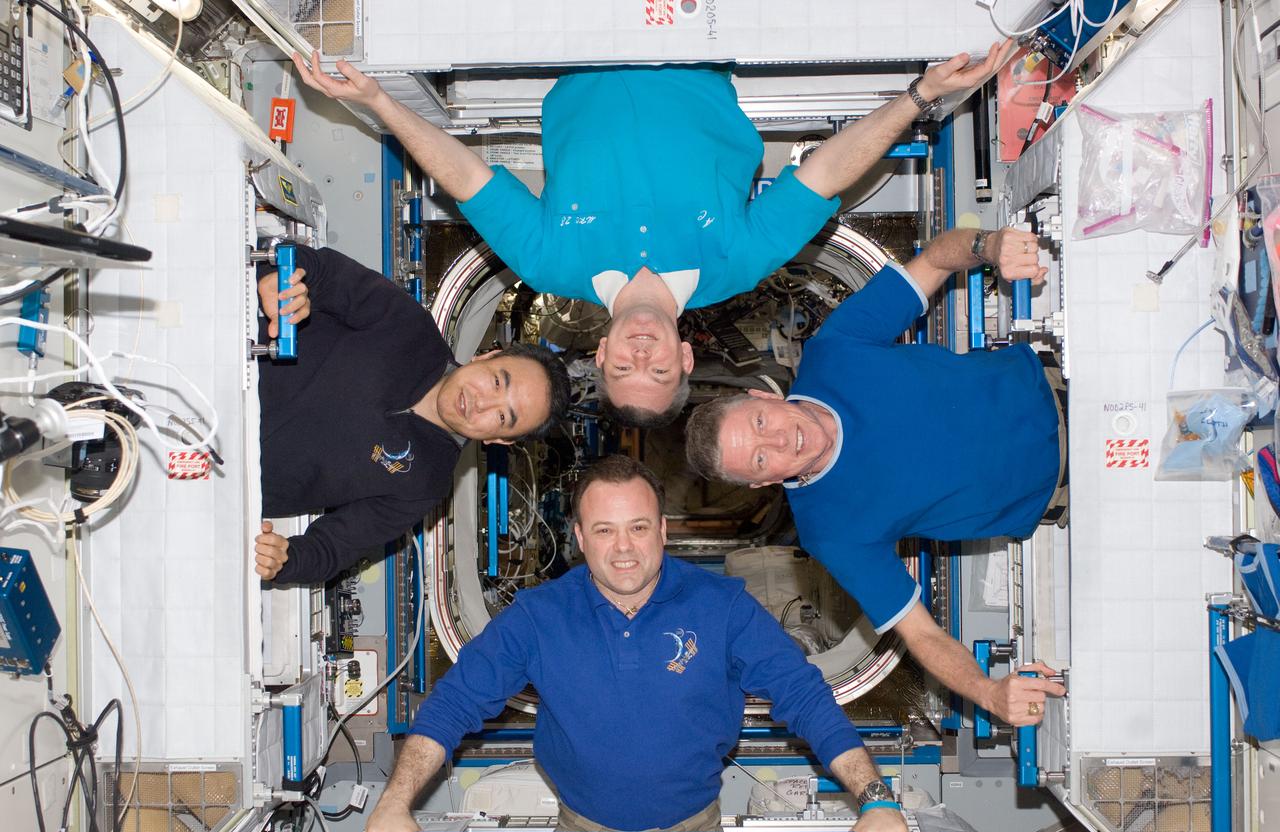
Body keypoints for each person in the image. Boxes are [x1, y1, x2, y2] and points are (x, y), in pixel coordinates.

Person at [291, 44, 1009, 428]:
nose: (641, 356)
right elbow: (826, 173)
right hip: (688, 33)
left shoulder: (550, 263)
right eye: (659, 371)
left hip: (590, 32)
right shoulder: (738, 263)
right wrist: (920, 97)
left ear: (598, 353)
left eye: (623, 368)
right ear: (684, 354)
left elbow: (464, 174)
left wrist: (380, 102)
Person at [364, 455, 909, 832]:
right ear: (579, 537)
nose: (623, 548)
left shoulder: (723, 607)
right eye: (604, 530)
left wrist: (876, 798)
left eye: (638, 528)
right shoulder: (538, 616)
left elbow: (805, 697)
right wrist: (393, 803)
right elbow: (453, 704)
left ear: (663, 531)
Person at [683, 227, 1068, 726]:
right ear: (762, 483)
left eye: (760, 424)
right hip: (1070, 488)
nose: (778, 442)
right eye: (759, 459)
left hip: (1068, 378)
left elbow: (933, 261)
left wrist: (988, 247)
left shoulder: (835, 349)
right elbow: (920, 634)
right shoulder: (831, 533)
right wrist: (989, 694)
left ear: (763, 399)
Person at [252, 245, 570, 585]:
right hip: (218, 367)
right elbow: (323, 271)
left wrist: (287, 560)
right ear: (486, 357)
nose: (482, 403)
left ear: (500, 439)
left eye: (504, 417)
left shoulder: (423, 485)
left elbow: (332, 548)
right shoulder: (406, 325)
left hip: (220, 473)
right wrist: (282, 282)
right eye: (496, 381)